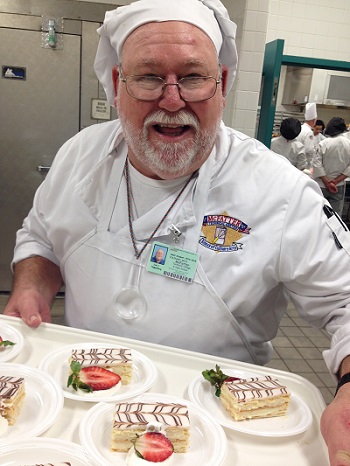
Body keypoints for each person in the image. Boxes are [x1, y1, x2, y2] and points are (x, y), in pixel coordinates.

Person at [3, 1, 350, 463]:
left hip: (220, 424)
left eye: (192, 77)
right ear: (116, 84)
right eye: (148, 77)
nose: (171, 100)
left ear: (222, 84)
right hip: (83, 405)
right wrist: (31, 286)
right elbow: (41, 236)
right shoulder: (79, 156)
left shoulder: (280, 192)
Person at [313, 117, 350, 216]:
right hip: (338, 186)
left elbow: (316, 164)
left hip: (321, 185)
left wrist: (327, 182)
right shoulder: (348, 143)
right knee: (335, 217)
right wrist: (335, 181)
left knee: (318, 214)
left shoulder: (323, 143)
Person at [296, 102, 318, 168]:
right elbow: (309, 149)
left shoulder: (300, 127)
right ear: (314, 120)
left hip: (296, 159)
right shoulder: (309, 132)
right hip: (303, 163)